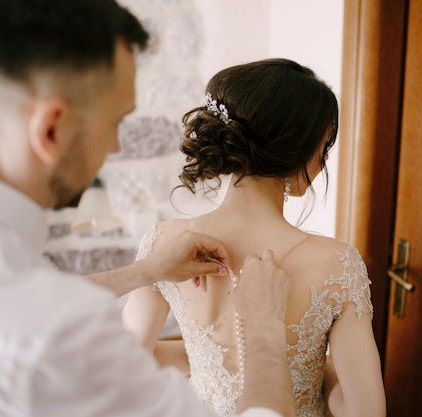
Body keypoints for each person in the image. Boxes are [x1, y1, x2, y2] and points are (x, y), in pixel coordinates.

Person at [0, 1, 297, 416]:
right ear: (51, 129)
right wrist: (264, 332)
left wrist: (144, 272)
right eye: (115, 122)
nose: (116, 146)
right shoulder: (65, 337)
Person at [122, 59, 387, 417]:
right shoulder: (337, 264)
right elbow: (364, 411)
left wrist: (205, 357)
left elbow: (130, 362)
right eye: (323, 147)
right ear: (298, 150)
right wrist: (311, 371)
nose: (322, 163)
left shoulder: (163, 243)